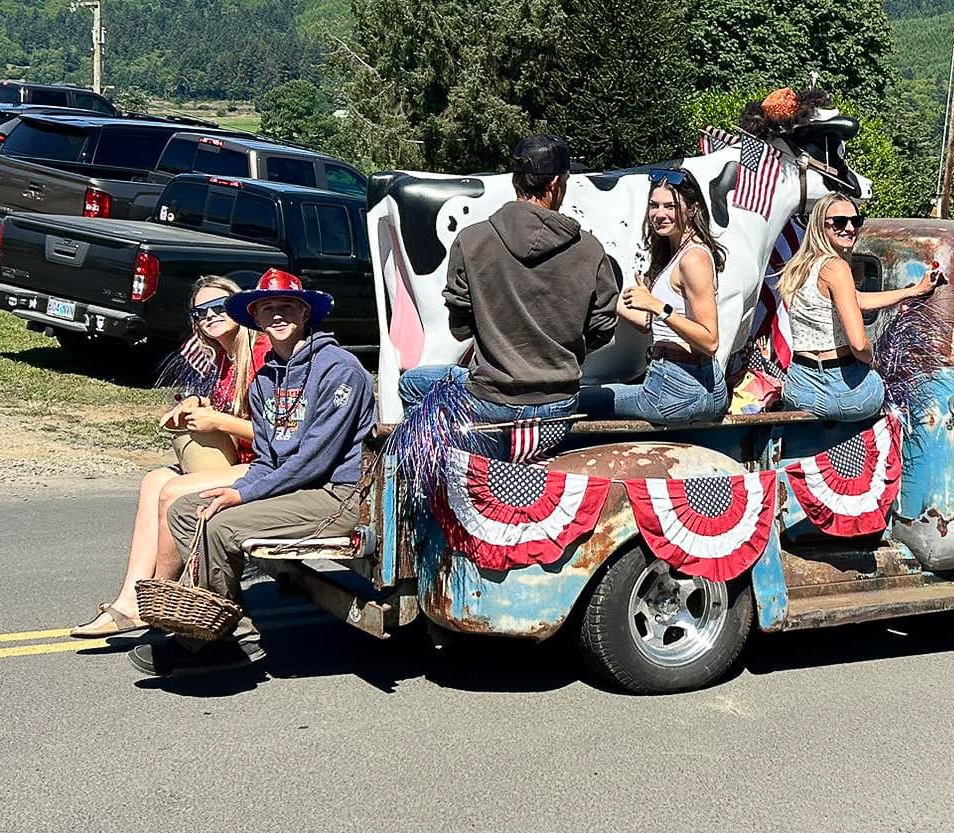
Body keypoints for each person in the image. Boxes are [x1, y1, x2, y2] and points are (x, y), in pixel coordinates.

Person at [129, 268, 376, 677]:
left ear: (305, 312)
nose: (277, 316)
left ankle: (218, 639)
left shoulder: (340, 370)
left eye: (286, 307)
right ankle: (210, 622)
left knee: (222, 527)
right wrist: (243, 486)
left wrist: (243, 495)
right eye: (267, 309)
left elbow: (314, 459)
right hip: (294, 492)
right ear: (256, 319)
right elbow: (266, 457)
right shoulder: (264, 379)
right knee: (187, 511)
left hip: (339, 494)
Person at [70, 276, 270, 638]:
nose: (210, 317)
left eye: (218, 307)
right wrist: (198, 403)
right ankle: (131, 600)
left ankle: (161, 597)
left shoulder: (261, 355)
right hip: (243, 462)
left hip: (269, 467)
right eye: (201, 312)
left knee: (173, 490)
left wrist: (217, 420)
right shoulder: (226, 358)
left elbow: (280, 436)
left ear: (240, 307)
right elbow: (232, 411)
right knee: (154, 480)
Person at [396, 134, 620, 455]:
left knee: (412, 384)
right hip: (557, 408)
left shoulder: (472, 240)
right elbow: (602, 328)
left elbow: (459, 324)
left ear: (517, 181)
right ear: (556, 183)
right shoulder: (589, 249)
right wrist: (562, 355)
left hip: (489, 402)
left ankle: (445, 472)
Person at [581, 169, 729, 424]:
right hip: (692, 385)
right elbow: (651, 325)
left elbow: (710, 340)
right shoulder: (678, 254)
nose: (659, 214)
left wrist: (657, 306)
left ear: (692, 209)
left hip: (675, 390)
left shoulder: (693, 259)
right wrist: (608, 297)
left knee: (575, 401)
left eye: (670, 206)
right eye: (654, 205)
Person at [779, 194, 942, 422]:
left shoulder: (799, 266)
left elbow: (856, 299)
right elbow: (858, 344)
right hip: (840, 388)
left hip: (799, 386)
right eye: (839, 222)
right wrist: (872, 359)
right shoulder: (836, 267)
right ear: (819, 226)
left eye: (855, 221)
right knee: (897, 391)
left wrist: (911, 291)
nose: (849, 228)